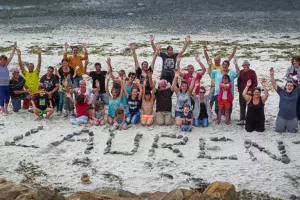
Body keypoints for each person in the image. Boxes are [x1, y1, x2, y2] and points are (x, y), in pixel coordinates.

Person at [270, 67, 300, 133]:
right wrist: (272, 76)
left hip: (292, 118)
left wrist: (295, 78)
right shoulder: (281, 92)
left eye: (291, 86)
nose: (289, 87)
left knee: (292, 132)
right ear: (285, 86)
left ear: (293, 87)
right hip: (281, 117)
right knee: (279, 131)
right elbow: (274, 83)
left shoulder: (296, 92)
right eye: (288, 85)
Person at [237, 60, 257, 125]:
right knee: (242, 105)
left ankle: (250, 119)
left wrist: (251, 90)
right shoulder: (241, 72)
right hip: (242, 91)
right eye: (244, 65)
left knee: (250, 106)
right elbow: (238, 81)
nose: (245, 67)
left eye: (247, 65)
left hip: (250, 92)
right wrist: (239, 89)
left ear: (249, 65)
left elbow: (255, 82)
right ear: (242, 66)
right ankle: (242, 119)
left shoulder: (252, 72)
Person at [0, 42, 17, 115]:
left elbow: (11, 56)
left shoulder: (5, 65)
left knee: (7, 97)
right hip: (1, 85)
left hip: (7, 84)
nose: (3, 61)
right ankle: (2, 110)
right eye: (1, 60)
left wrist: (14, 48)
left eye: (4, 60)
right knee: (2, 97)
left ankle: (6, 110)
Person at [285, 55, 300, 120]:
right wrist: (290, 76)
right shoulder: (290, 68)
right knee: (288, 100)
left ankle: (298, 117)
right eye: (293, 61)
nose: (295, 63)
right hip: (291, 85)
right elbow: (286, 76)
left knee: (298, 101)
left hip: (299, 86)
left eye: (296, 61)